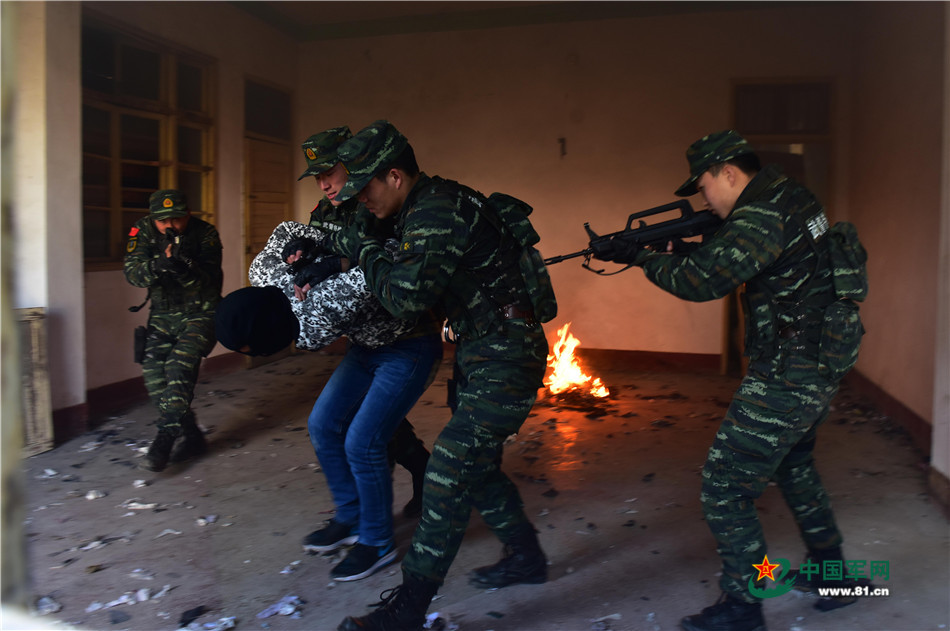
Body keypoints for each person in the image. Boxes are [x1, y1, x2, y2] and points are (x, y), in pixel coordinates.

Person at [591, 130, 867, 631]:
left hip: (788, 373)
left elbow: (702, 281)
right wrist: (681, 244)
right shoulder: (791, 196)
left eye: (703, 187)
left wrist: (643, 258)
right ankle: (836, 576)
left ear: (729, 173)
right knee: (795, 467)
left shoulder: (760, 215)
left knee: (724, 487)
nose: (703, 199)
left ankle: (745, 606)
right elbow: (751, 254)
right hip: (818, 363)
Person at [330, 120, 553, 631]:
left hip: (506, 351)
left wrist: (363, 249)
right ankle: (527, 558)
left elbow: (406, 298)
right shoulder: (428, 203)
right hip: (483, 348)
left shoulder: (434, 210)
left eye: (364, 186)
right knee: (479, 466)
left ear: (394, 176)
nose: (359, 198)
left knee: (450, 467)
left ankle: (408, 609)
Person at [294, 128, 434, 523]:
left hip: (401, 333)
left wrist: (335, 263)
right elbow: (324, 248)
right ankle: (365, 512)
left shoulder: (378, 203)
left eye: (331, 172)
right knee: (361, 424)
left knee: (367, 434)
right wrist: (304, 252)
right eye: (317, 177)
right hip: (362, 338)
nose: (325, 184)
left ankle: (374, 525)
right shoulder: (325, 211)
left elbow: (389, 259)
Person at [124, 189, 223, 472]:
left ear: (188, 214)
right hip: (162, 314)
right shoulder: (142, 230)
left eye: (176, 219)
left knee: (179, 366)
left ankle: (165, 438)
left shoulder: (205, 234)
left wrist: (183, 268)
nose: (170, 226)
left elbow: (209, 281)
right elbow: (131, 272)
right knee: (154, 375)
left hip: (201, 312)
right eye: (162, 221)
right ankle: (191, 435)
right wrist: (159, 265)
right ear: (153, 219)